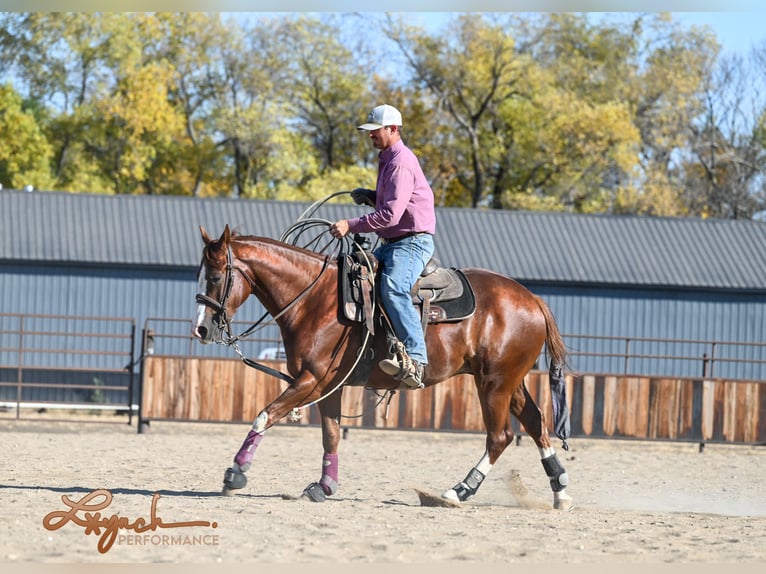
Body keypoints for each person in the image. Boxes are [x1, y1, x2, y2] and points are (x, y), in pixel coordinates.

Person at [330, 104, 436, 389]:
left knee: (392, 287)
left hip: (411, 243)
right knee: (355, 275)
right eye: (369, 132)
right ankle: (379, 347)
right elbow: (391, 202)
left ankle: (416, 357)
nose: (371, 136)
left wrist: (350, 225)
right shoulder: (387, 158)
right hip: (393, 242)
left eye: (375, 131)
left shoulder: (400, 162)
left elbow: (391, 215)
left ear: (393, 129)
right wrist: (371, 195)